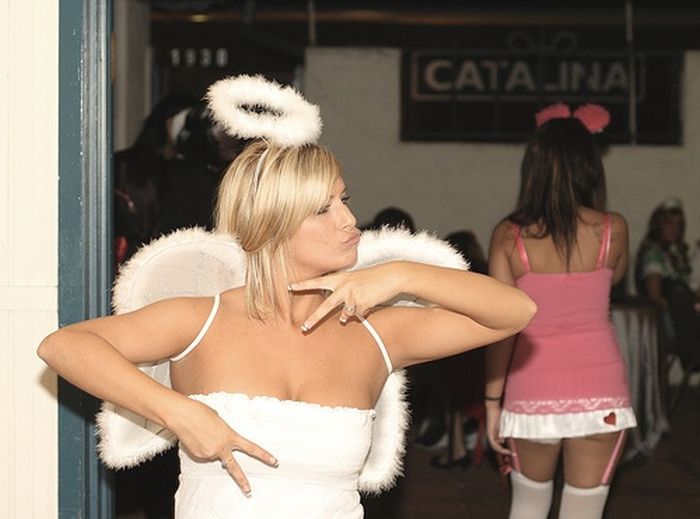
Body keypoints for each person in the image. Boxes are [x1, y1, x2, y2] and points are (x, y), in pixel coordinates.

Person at [38, 76, 536, 518]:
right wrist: (179, 412)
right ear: (271, 225)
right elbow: (64, 346)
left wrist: (401, 275)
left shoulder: (376, 331)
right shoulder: (201, 320)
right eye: (323, 209)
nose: (348, 220)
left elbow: (516, 311)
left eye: (344, 200)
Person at [485, 103, 637, 519]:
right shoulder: (613, 229)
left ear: (532, 168)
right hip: (602, 392)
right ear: (590, 168)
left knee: (528, 505)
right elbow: (617, 277)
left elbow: (502, 327)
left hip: (532, 391)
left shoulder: (509, 236)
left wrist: (492, 401)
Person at [635, 198, 700, 371]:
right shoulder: (653, 255)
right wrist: (689, 308)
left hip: (684, 319)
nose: (674, 229)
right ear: (659, 225)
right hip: (667, 323)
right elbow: (654, 297)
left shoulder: (673, 255)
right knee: (677, 291)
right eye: (669, 223)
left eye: (678, 225)